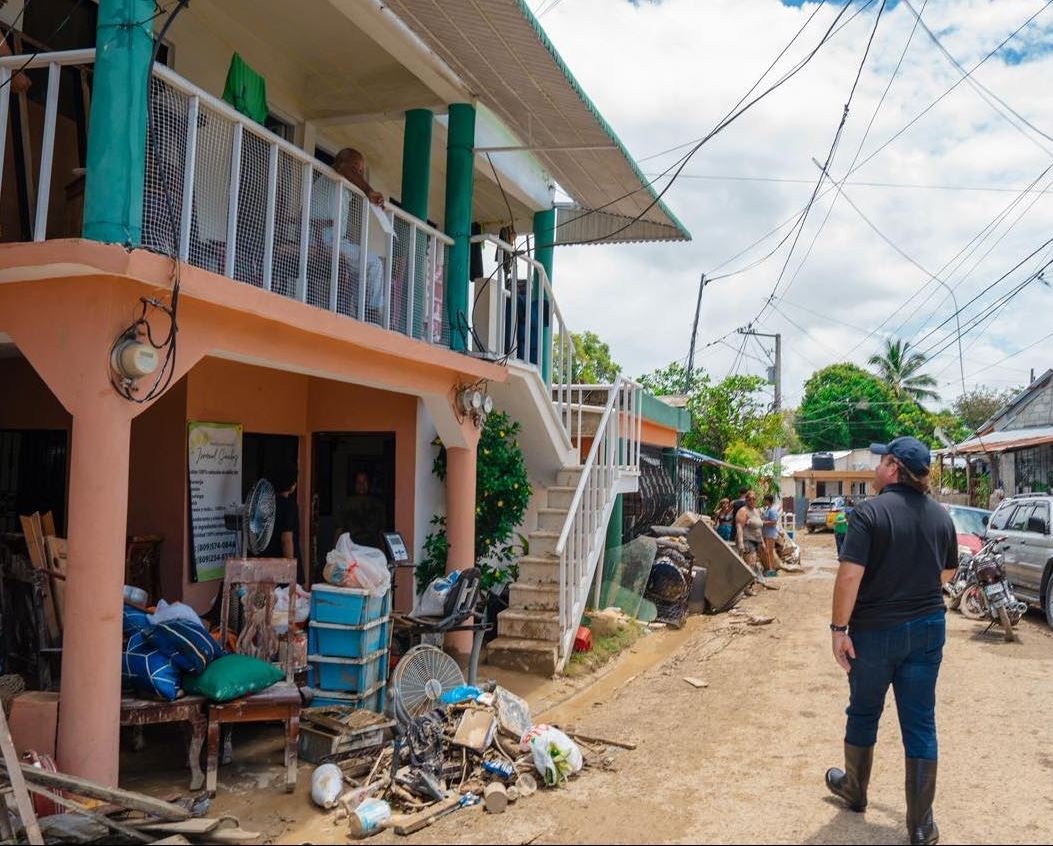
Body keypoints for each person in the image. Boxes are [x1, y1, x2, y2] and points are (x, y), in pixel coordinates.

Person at [825, 437, 956, 846]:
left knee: (864, 711)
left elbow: (849, 576)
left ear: (894, 468)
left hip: (875, 631)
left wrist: (838, 630)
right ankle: (920, 826)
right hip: (928, 627)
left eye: (881, 462)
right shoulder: (941, 516)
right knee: (920, 722)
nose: (875, 468)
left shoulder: (869, 514)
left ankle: (855, 790)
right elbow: (948, 574)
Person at [310, 148, 387, 314]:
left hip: (330, 239)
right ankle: (372, 312)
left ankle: (358, 311)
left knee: (360, 267)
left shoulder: (336, 182)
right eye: (357, 169)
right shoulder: (335, 174)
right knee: (375, 263)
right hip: (321, 239)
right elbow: (345, 168)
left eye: (360, 171)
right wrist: (369, 191)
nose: (358, 173)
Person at [261, 465, 303, 584]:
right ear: (292, 485)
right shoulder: (289, 506)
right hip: (282, 564)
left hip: (266, 562)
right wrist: (289, 569)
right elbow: (287, 539)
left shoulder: (264, 505)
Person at [336, 470, 386, 550]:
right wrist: (335, 550)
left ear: (369, 484)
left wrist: (383, 551)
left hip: (373, 550)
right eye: (358, 482)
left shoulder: (378, 504)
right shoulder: (345, 505)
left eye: (364, 482)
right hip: (351, 549)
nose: (361, 485)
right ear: (354, 485)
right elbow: (339, 530)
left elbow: (381, 532)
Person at [735, 490, 765, 582]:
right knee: (749, 564)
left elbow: (759, 529)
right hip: (747, 541)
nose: (751, 501)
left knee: (753, 564)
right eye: (749, 499)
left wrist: (762, 542)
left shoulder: (757, 511)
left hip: (756, 541)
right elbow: (739, 527)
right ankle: (746, 588)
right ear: (746, 500)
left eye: (753, 499)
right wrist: (740, 543)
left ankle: (749, 585)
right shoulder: (743, 511)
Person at [761, 494, 781, 576]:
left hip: (771, 533)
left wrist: (764, 522)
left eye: (765, 500)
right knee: (768, 551)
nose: (764, 501)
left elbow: (774, 522)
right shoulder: (768, 509)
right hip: (767, 533)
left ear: (767, 500)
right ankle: (770, 568)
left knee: (770, 551)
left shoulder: (772, 510)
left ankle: (772, 569)